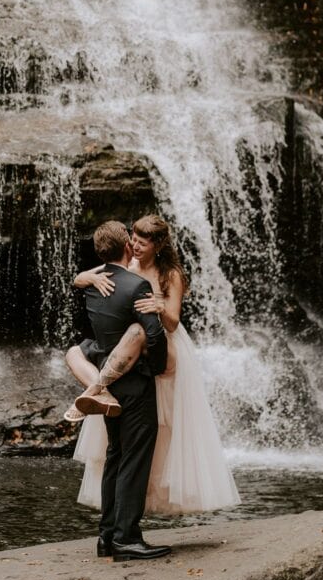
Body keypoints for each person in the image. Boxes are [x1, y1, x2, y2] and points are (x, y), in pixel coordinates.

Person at [68, 214, 241, 517]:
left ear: (158, 245)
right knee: (127, 437)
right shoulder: (126, 267)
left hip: (163, 347)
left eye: (142, 242)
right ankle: (126, 510)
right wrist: (91, 277)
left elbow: (173, 321)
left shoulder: (169, 273)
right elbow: (78, 279)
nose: (134, 246)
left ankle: (146, 502)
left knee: (164, 428)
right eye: (132, 239)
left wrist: (160, 306)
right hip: (129, 350)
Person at [75, 220, 171, 561]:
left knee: (116, 456)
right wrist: (156, 368)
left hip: (108, 384)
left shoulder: (92, 285)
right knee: (134, 459)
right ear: (128, 248)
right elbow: (154, 334)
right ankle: (127, 538)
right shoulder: (136, 286)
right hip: (134, 383)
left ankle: (106, 537)